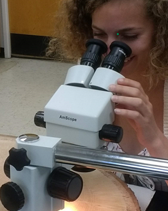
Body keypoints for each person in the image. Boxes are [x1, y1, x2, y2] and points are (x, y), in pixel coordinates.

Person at [47, 0, 168, 192]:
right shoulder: (88, 75)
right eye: (99, 35)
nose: (110, 49)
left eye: (128, 36)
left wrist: (154, 139)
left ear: (161, 32)